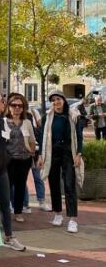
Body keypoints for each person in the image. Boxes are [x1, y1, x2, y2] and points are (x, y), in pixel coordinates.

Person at [0, 92, 27, 252]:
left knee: (5, 203)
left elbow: (4, 140)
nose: (4, 104)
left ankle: (9, 237)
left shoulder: (1, 121)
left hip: (2, 167)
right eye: (2, 101)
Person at [39, 90, 83, 233]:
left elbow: (79, 136)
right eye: (53, 100)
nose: (56, 102)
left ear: (63, 100)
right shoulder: (47, 117)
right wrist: (41, 155)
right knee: (54, 184)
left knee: (69, 185)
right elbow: (42, 137)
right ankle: (58, 213)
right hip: (52, 153)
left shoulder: (73, 115)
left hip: (68, 153)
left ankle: (72, 219)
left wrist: (78, 154)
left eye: (58, 99)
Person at [4, 93, 37, 225]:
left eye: (20, 106)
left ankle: (18, 212)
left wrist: (32, 151)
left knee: (20, 186)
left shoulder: (27, 122)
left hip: (24, 160)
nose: (17, 108)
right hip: (8, 160)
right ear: (9, 107)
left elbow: (32, 140)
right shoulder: (3, 122)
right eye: (14, 105)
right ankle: (5, 211)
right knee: (6, 187)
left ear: (23, 108)